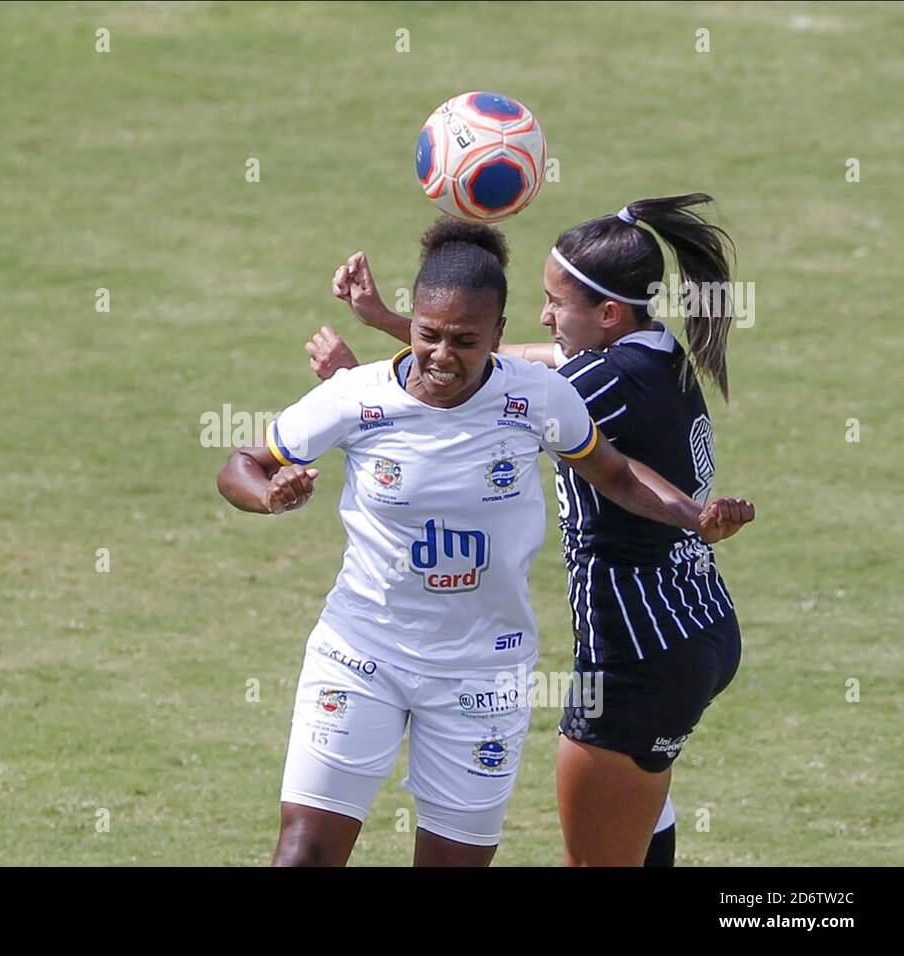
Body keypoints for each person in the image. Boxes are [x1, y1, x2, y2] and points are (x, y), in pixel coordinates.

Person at [218, 216, 752, 867]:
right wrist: (268, 496)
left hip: (483, 672)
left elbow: (614, 472)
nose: (441, 355)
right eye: (428, 335)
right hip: (362, 652)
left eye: (465, 341)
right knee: (303, 854)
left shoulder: (541, 396)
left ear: (497, 339)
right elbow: (242, 465)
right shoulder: (353, 397)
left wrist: (692, 516)